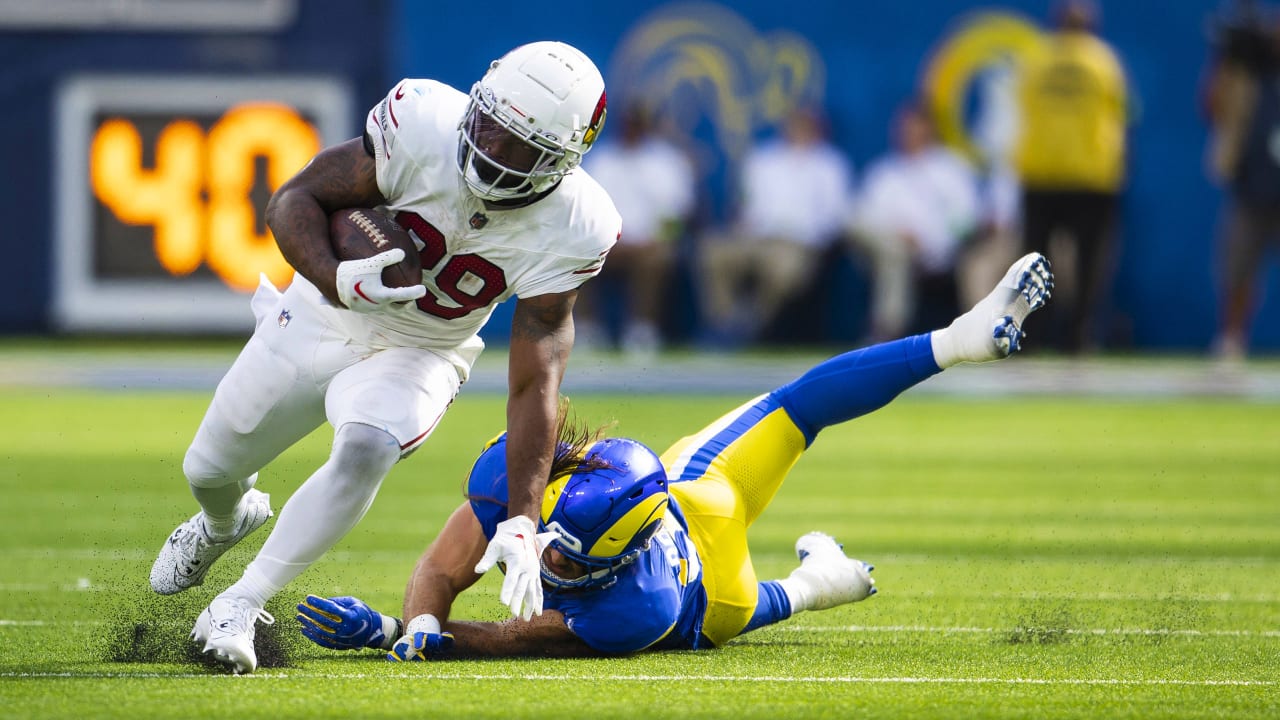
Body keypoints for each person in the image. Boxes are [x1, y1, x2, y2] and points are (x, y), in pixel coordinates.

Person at [295, 253, 1054, 659]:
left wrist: (402, 634)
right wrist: (422, 614)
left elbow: (506, 639)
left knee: (759, 605)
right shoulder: (526, 476)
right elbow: (441, 569)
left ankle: (820, 582)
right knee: (799, 406)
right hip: (701, 491)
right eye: (552, 545)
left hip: (703, 602)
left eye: (568, 563)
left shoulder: (635, 607)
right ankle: (955, 342)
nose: (551, 568)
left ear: (612, 562)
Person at [146, 41, 620, 674]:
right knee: (208, 468)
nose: (493, 154)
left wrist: (523, 520)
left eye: (522, 148)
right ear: (475, 101)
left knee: (368, 446)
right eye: (490, 129)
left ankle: (240, 603)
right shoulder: (422, 120)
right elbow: (294, 200)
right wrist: (335, 277)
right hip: (326, 311)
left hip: (425, 348)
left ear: (565, 161)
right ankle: (224, 519)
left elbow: (536, 377)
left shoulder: (578, 224)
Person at [1014, 0, 1129, 353]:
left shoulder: (1036, 60)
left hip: (1042, 173)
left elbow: (1023, 106)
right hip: (1091, 177)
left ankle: (1030, 336)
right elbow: (1120, 114)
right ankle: (1079, 338)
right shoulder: (1104, 62)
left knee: (1034, 260)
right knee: (1090, 264)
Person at [697, 107, 853, 347]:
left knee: (786, 270)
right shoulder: (762, 159)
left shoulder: (830, 164)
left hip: (798, 244)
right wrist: (743, 221)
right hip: (754, 238)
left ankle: (750, 325)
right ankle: (725, 323)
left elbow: (834, 216)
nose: (799, 131)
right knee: (711, 252)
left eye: (805, 125)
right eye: (794, 124)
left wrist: (811, 240)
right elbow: (744, 203)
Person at [846, 102, 983, 342]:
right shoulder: (884, 171)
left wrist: (928, 241)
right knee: (878, 239)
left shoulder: (951, 169)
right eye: (902, 127)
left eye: (913, 126)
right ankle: (886, 331)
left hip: (930, 252)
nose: (906, 132)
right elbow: (864, 218)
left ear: (928, 129)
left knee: (895, 254)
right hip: (882, 247)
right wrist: (898, 233)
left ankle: (885, 333)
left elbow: (966, 222)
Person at [578, 103, 696, 356]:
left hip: (650, 244)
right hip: (607, 243)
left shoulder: (667, 162)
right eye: (628, 123)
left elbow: (678, 213)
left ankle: (642, 332)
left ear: (647, 126)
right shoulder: (603, 159)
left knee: (657, 258)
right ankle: (587, 330)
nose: (631, 129)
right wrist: (606, 239)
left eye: (637, 123)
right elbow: (584, 208)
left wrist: (657, 239)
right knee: (574, 252)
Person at [1202, 2, 1280, 360]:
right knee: (1238, 272)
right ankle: (1231, 341)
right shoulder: (1247, 76)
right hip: (1252, 188)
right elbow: (1210, 107)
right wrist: (1225, 59)